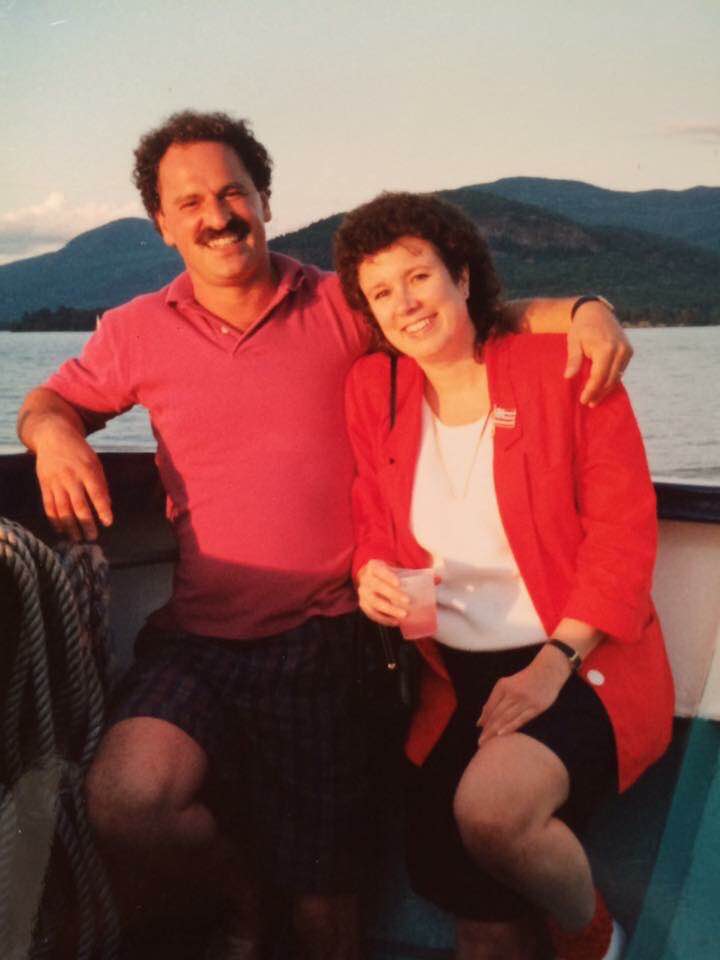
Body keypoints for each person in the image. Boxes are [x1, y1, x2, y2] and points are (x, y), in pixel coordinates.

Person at [17, 111, 632, 960]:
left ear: (265, 198)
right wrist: (53, 435)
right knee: (127, 799)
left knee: (325, 918)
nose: (217, 215)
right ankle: (237, 890)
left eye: (233, 191)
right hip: (199, 640)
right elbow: (53, 401)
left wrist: (587, 309)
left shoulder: (342, 304)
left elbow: (462, 316)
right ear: (161, 223)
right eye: (189, 202)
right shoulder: (134, 329)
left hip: (327, 642)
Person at [335, 191, 674, 960]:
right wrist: (370, 573)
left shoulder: (563, 367)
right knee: (472, 912)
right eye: (381, 292)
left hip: (582, 660)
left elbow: (624, 535)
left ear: (461, 276)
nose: (405, 303)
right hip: (455, 681)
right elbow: (372, 514)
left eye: (419, 277)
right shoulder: (374, 389)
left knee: (490, 811)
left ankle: (593, 939)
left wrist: (553, 665)